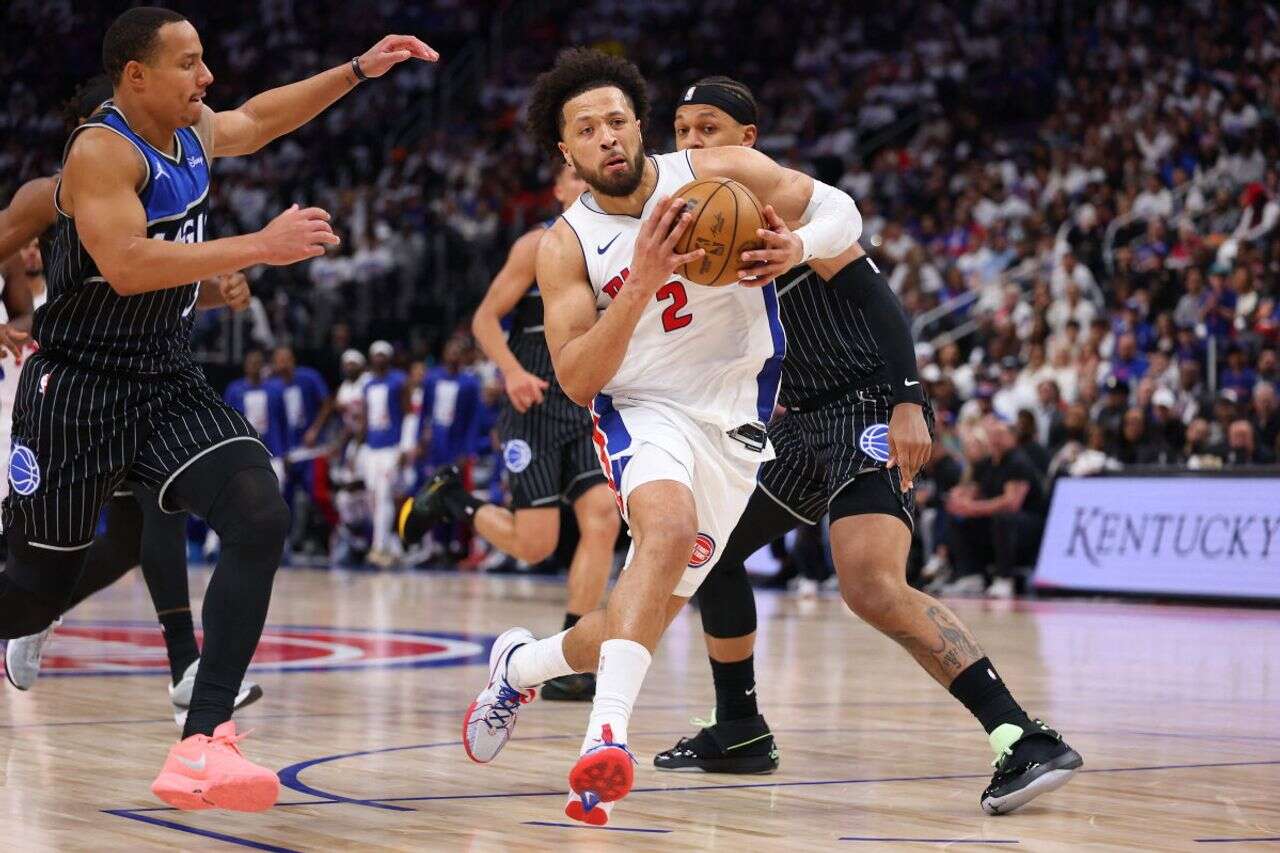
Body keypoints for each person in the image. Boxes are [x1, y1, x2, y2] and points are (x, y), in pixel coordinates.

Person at [0, 6, 436, 812]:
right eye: (188, 64)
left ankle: (203, 740)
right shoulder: (98, 151)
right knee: (30, 592)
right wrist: (257, 246)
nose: (206, 79)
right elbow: (128, 265)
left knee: (258, 513)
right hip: (78, 391)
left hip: (163, 376)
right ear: (136, 77)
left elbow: (261, 117)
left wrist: (356, 70)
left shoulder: (194, 131)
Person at [649, 78, 1079, 815]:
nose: (692, 145)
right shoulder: (693, 232)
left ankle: (1022, 734)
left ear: (747, 140)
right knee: (707, 548)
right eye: (682, 130)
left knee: (871, 584)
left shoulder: (779, 211)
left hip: (868, 402)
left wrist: (908, 399)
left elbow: (881, 300)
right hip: (800, 423)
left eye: (709, 128)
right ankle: (740, 727)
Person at [0, 77, 259, 716]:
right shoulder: (52, 194)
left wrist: (214, 285)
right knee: (54, 557)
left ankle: (184, 670)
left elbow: (158, 277)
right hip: (69, 393)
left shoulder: (161, 174)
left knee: (137, 533)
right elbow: (110, 275)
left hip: (151, 377)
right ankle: (51, 621)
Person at [401, 163, 620, 701]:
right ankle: (454, 499)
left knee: (603, 517)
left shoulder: (617, 249)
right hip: (534, 406)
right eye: (576, 176)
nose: (588, 183)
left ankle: (572, 656)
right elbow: (483, 320)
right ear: (560, 188)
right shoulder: (536, 246)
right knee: (534, 545)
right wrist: (512, 371)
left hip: (585, 404)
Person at [362, 340, 409, 566]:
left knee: (383, 494)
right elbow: (365, 418)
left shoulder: (399, 380)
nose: (379, 358)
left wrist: (404, 447)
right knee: (372, 496)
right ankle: (390, 544)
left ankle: (378, 548)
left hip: (392, 447)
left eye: (383, 354)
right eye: (375, 354)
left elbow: (409, 414)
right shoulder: (368, 384)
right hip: (371, 448)